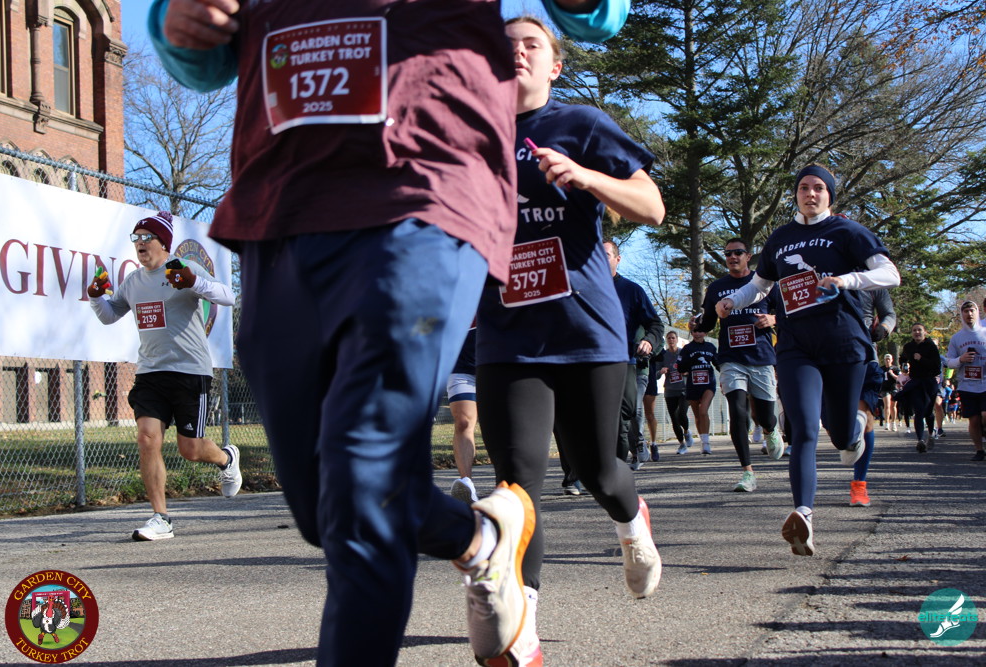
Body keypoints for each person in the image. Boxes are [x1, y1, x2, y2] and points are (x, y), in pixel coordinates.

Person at [149, 1, 631, 664]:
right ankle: (481, 538)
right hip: (279, 208)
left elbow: (596, 16)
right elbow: (199, 60)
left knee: (365, 482)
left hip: (427, 192)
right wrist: (175, 24)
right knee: (324, 508)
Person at [475, 15, 664, 663]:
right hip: (507, 334)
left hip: (585, 331)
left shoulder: (580, 124)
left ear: (555, 65)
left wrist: (586, 177)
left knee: (597, 469)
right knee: (517, 482)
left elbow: (651, 206)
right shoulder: (471, 138)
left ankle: (632, 522)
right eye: (506, 46)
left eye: (532, 44)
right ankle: (521, 622)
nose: (517, 53)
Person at [716, 164, 900, 556]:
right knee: (802, 429)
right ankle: (804, 516)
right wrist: (734, 300)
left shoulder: (848, 232)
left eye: (818, 188)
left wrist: (846, 280)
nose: (810, 193)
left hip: (844, 342)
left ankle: (854, 429)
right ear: (796, 194)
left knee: (840, 434)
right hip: (796, 345)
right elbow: (760, 286)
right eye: (803, 187)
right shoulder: (781, 238)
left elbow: (890, 275)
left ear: (829, 194)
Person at [87, 211, 240, 541]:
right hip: (151, 372)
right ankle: (161, 518)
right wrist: (96, 297)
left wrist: (193, 282)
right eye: (136, 238)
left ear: (163, 243)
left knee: (191, 450)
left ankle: (226, 458)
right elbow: (110, 315)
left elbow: (228, 297)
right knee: (147, 439)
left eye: (147, 237)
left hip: (189, 371)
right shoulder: (134, 281)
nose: (140, 243)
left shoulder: (183, 268)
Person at [696, 238, 784, 492]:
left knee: (764, 415)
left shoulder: (764, 283)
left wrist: (773, 319)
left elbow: (788, 313)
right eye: (728, 254)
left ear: (748, 256)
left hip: (761, 357)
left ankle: (770, 429)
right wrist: (697, 324)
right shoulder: (717, 288)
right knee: (737, 411)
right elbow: (707, 323)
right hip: (731, 358)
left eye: (738, 253)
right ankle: (747, 472)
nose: (732, 257)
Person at [604, 240, 664, 468]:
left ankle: (621, 464)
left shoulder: (632, 290)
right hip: (590, 364)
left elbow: (655, 324)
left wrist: (648, 341)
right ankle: (600, 470)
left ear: (617, 259)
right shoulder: (583, 289)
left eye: (606, 255)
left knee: (628, 412)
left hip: (625, 362)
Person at [849, 288, 896, 507]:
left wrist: (884, 328)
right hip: (829, 358)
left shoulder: (873, 281)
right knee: (837, 428)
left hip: (866, 357)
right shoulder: (825, 274)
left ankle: (859, 485)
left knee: (865, 419)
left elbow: (889, 314)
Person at [944, 301, 986, 460]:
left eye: (972, 310)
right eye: (965, 311)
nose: (969, 314)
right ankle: (979, 450)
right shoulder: (957, 338)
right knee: (974, 419)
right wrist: (961, 359)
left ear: (977, 312)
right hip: (967, 384)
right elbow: (949, 362)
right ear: (962, 314)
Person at [447, 325, 480, 504]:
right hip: (461, 366)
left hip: (497, 363)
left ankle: (509, 483)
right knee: (463, 421)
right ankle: (467, 485)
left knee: (502, 426)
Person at [900, 323, 943, 453]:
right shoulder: (908, 347)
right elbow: (902, 358)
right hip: (916, 382)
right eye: (914, 330)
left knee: (928, 411)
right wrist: (904, 366)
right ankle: (920, 440)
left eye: (919, 330)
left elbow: (937, 367)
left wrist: (921, 359)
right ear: (911, 333)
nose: (917, 332)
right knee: (918, 410)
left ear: (925, 332)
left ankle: (930, 434)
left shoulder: (931, 346)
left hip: (929, 381)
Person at [675, 327, 718, 455]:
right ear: (692, 333)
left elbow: (718, 363)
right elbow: (680, 368)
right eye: (695, 331)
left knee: (703, 410)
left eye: (700, 331)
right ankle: (702, 440)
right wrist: (689, 362)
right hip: (693, 384)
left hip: (708, 383)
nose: (698, 334)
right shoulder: (687, 348)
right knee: (698, 416)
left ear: (705, 332)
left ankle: (706, 443)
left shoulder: (710, 347)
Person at [658, 330, 692, 452]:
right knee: (674, 418)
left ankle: (687, 432)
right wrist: (661, 371)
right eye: (669, 338)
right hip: (670, 391)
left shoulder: (683, 353)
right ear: (666, 341)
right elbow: (655, 374)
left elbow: (692, 368)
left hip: (683, 389)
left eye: (673, 338)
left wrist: (687, 372)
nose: (671, 340)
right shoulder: (664, 355)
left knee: (681, 414)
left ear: (677, 340)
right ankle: (682, 444)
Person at [643, 351, 662, 460]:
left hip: (649, 376)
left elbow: (661, 354)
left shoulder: (653, 340)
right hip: (633, 374)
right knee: (634, 414)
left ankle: (653, 444)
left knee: (649, 414)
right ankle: (639, 444)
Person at [880, 353, 900, 430]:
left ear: (892, 360)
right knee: (887, 405)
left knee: (893, 406)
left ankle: (893, 422)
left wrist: (892, 374)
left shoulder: (895, 368)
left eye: (889, 359)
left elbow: (899, 378)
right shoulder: (881, 369)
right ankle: (887, 423)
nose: (887, 361)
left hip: (893, 388)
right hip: (885, 388)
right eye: (886, 359)